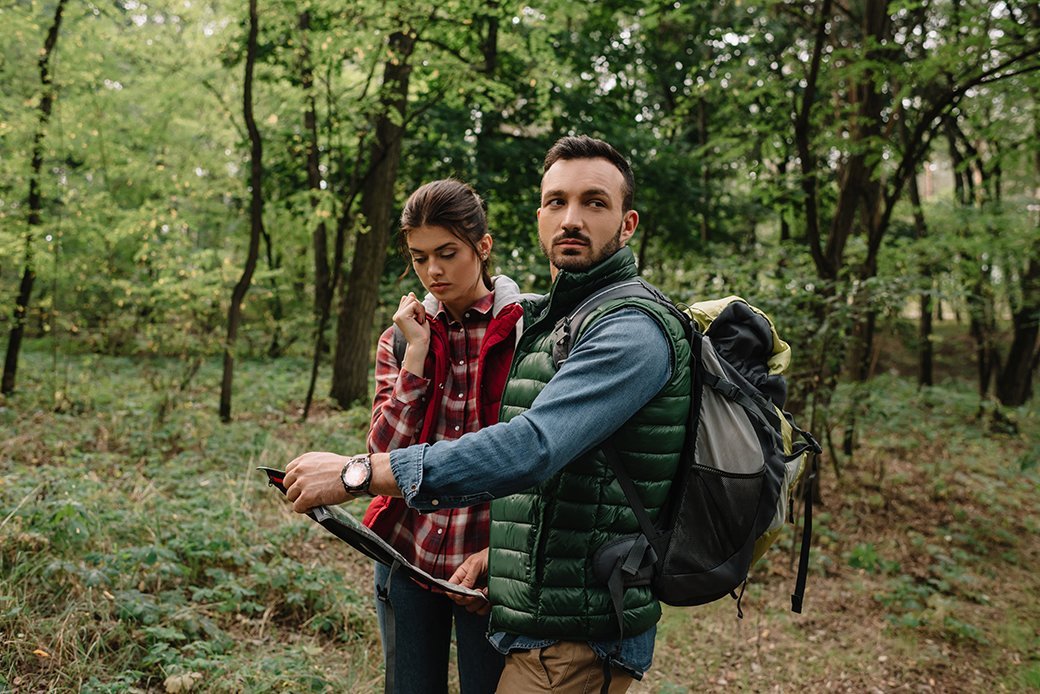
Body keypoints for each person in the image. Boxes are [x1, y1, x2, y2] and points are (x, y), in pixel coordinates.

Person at [285, 136, 691, 693]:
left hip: (546, 602)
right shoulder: (553, 321)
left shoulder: (599, 326)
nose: (571, 218)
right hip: (430, 554)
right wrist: (418, 359)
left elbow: (531, 448)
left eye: (594, 202)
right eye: (556, 202)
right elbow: (392, 438)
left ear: (627, 223)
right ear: (540, 214)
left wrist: (359, 474)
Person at [362, 178, 522, 693]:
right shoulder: (402, 337)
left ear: (483, 246)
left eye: (447, 253)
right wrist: (415, 355)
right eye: (419, 257)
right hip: (408, 552)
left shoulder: (525, 330)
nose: (433, 271)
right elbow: (382, 457)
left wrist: (502, 551)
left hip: (488, 560)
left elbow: (540, 450)